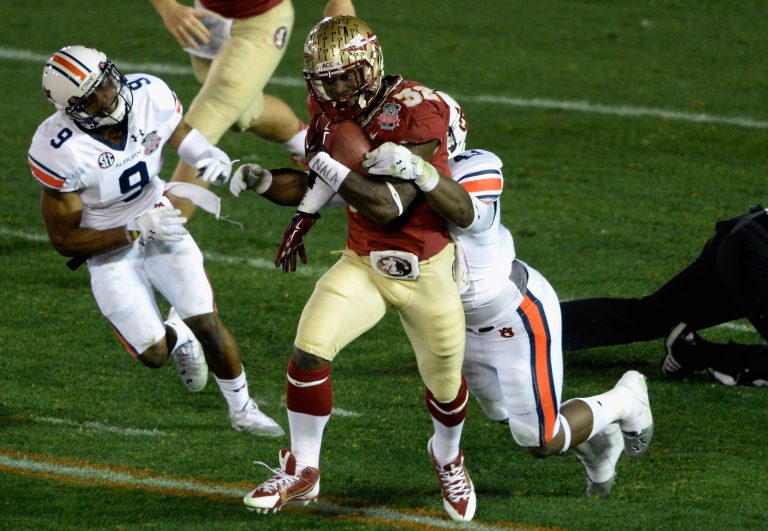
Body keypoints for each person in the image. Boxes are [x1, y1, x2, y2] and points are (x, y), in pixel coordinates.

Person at [230, 15, 476, 522]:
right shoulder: (325, 110)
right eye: (326, 81)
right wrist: (264, 182)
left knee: (445, 384)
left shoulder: (418, 109)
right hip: (363, 261)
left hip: (427, 268)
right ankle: (303, 468)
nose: (337, 91)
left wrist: (330, 165)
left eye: (346, 77)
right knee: (309, 351)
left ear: (372, 64)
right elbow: (315, 185)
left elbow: (390, 206)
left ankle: (448, 456)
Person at [360, 94, 654, 497]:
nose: (404, 144)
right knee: (504, 413)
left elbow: (470, 216)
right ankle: (598, 449)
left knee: (538, 439)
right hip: (453, 323)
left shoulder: (475, 165)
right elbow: (343, 191)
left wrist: (420, 171)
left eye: (415, 137)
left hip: (514, 314)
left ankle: (625, 400)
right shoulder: (393, 178)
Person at [29, 45, 283, 436]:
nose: (107, 97)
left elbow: (177, 131)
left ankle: (243, 410)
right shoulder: (60, 149)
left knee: (207, 320)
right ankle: (178, 335)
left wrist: (204, 154)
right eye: (91, 98)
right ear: (70, 109)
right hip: (108, 245)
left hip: (159, 218)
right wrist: (131, 231)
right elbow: (65, 240)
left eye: (106, 83)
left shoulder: (148, 93)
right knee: (153, 353)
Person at [149, 0, 356, 218]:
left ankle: (163, 232)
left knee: (201, 130)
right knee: (243, 111)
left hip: (259, 22)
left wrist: (340, 32)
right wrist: (168, 7)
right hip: (206, 19)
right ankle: (305, 143)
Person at [560, 204, 768, 388]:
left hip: (743, 233)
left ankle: (541, 325)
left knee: (650, 315)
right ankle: (705, 354)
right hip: (756, 252)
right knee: (651, 315)